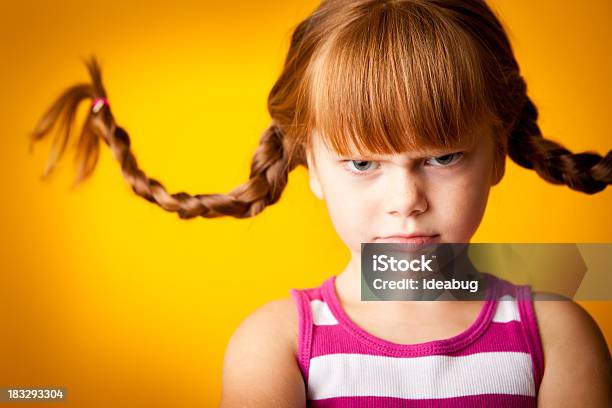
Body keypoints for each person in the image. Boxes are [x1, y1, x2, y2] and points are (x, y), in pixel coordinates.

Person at [29, 0, 611, 406]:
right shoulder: (275, 347)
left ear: (497, 156)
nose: (406, 201)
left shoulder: (559, 338)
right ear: (311, 165)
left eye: (443, 157)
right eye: (363, 163)